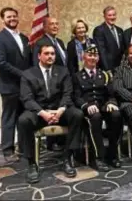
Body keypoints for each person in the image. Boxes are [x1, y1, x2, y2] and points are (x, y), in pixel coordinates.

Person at [18, 43, 84, 184]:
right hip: (39, 112)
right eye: (47, 53)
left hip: (58, 110)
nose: (50, 56)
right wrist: (43, 113)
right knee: (23, 120)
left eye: (53, 54)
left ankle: (68, 158)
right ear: (39, 56)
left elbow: (68, 94)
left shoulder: (63, 71)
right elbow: (27, 99)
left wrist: (60, 111)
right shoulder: (28, 74)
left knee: (77, 114)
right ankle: (31, 163)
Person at [0, 7, 32, 162]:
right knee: (9, 118)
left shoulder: (25, 38)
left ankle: (22, 147)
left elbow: (28, 60)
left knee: (23, 117)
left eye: (14, 16)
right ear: (3, 19)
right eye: (9, 17)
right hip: (8, 85)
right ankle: (8, 150)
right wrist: (23, 74)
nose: (12, 19)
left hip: (25, 86)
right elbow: (0, 63)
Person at [72, 44, 123, 172]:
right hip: (88, 110)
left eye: (95, 55)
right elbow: (76, 97)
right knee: (95, 117)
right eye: (90, 55)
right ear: (84, 57)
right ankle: (98, 157)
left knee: (116, 115)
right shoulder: (77, 76)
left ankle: (112, 154)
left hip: (103, 106)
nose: (92, 58)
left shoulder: (105, 75)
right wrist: (86, 106)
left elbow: (111, 94)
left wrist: (111, 102)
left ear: (98, 58)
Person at [32, 17, 68, 151]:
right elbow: (36, 64)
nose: (55, 26)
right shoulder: (40, 42)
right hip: (48, 82)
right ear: (45, 27)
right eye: (51, 24)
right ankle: (51, 142)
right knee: (50, 108)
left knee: (60, 109)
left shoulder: (59, 42)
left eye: (56, 23)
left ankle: (59, 141)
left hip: (61, 81)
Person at [93, 6, 125, 75]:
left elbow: (122, 50)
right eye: (109, 15)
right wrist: (107, 69)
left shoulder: (120, 30)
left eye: (114, 15)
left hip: (120, 67)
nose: (112, 17)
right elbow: (101, 51)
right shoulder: (99, 30)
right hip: (107, 69)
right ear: (104, 16)